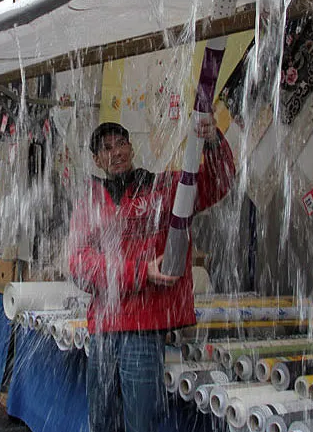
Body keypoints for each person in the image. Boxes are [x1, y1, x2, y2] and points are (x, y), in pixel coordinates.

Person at [68, 119, 235, 432]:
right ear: (96, 159)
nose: (116, 152)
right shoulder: (89, 202)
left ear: (131, 148)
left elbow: (218, 182)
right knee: (101, 421)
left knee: (141, 423)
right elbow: (79, 265)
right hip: (103, 329)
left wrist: (212, 140)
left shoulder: (164, 190)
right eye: (106, 148)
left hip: (144, 330)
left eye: (121, 143)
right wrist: (141, 271)